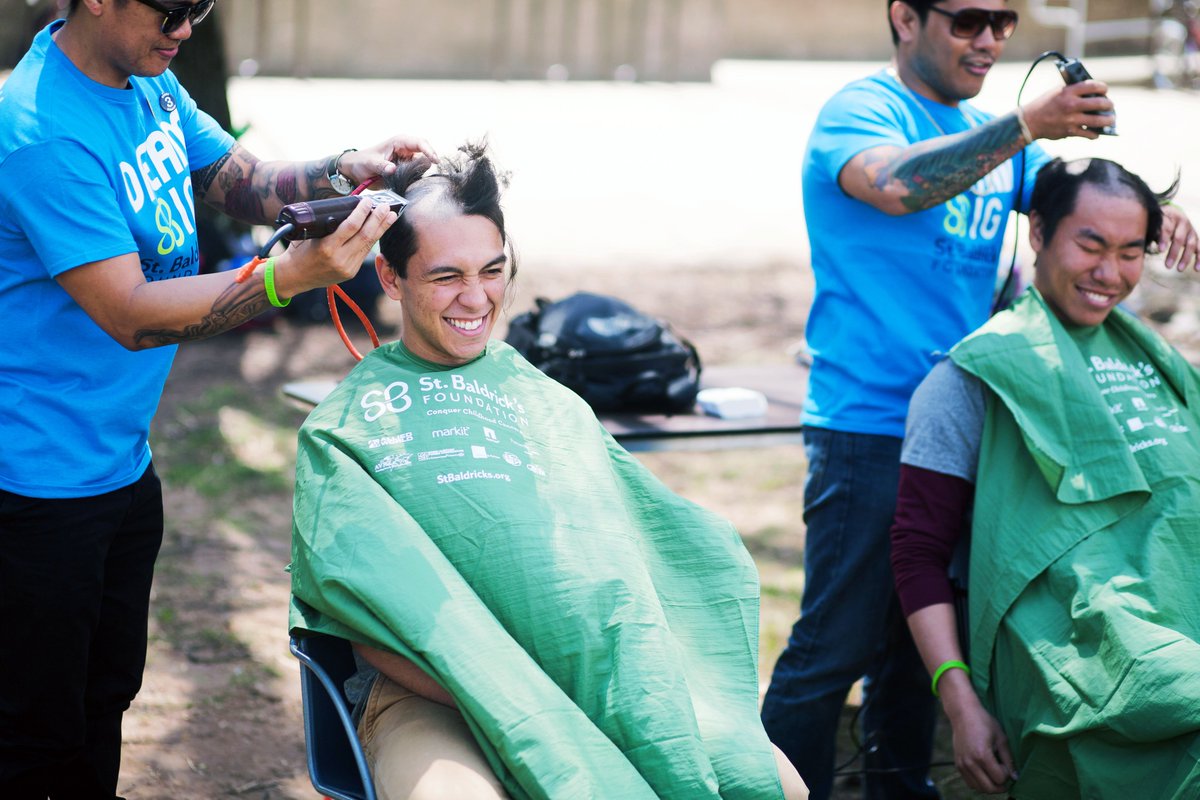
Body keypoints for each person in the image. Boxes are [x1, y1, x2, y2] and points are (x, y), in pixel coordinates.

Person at [758, 2, 1199, 799]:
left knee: (917, 650)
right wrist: (1026, 124)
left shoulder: (1004, 142)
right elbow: (897, 185)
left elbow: (1071, 213)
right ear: (903, 17)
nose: (990, 39)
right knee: (835, 649)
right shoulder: (863, 113)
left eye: (1003, 20)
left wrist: (1146, 217)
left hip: (969, 422)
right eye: (967, 19)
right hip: (869, 424)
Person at [0, 2, 435, 796]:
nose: (187, 28)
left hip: (119, 464)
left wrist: (346, 169)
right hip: (34, 487)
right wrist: (285, 278)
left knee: (102, 702)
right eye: (171, 7)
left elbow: (243, 185)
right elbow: (129, 314)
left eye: (200, 6)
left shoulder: (148, 82)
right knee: (35, 735)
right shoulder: (42, 130)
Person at [289, 144, 809, 800]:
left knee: (775, 787)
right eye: (446, 276)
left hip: (589, 675)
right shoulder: (344, 432)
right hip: (431, 692)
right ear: (392, 279)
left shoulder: (549, 400)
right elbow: (368, 622)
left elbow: (634, 556)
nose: (475, 298)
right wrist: (509, 689)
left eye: (493, 270)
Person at [890, 156, 1200, 798]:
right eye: (1090, 245)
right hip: (1086, 651)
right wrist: (961, 704)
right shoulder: (966, 381)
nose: (1109, 274)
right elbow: (916, 553)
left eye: (1130, 251)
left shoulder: (1158, 359)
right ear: (1037, 234)